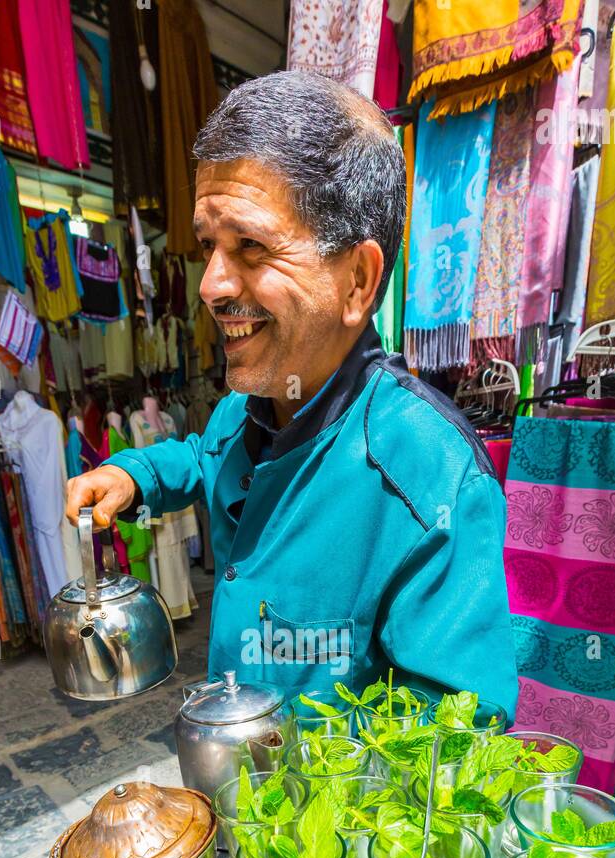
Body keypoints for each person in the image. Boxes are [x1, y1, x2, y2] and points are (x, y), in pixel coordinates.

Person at [66, 70, 518, 715]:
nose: (211, 286)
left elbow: (457, 736)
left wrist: (302, 797)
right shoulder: (246, 409)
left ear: (357, 281)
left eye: (250, 246)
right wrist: (133, 473)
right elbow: (202, 456)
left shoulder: (426, 474)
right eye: (208, 247)